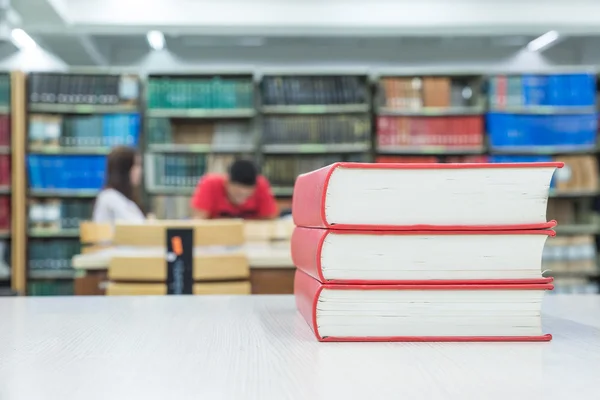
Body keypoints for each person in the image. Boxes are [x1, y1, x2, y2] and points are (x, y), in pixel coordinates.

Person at [190, 159, 278, 219]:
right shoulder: (209, 184)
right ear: (227, 182)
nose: (242, 198)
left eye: (247, 195)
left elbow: (270, 220)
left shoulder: (261, 185)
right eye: (238, 193)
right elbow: (199, 221)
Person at [92, 146, 145, 224]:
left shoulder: (125, 199)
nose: (140, 171)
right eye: (136, 165)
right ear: (124, 170)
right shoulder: (109, 197)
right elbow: (133, 227)